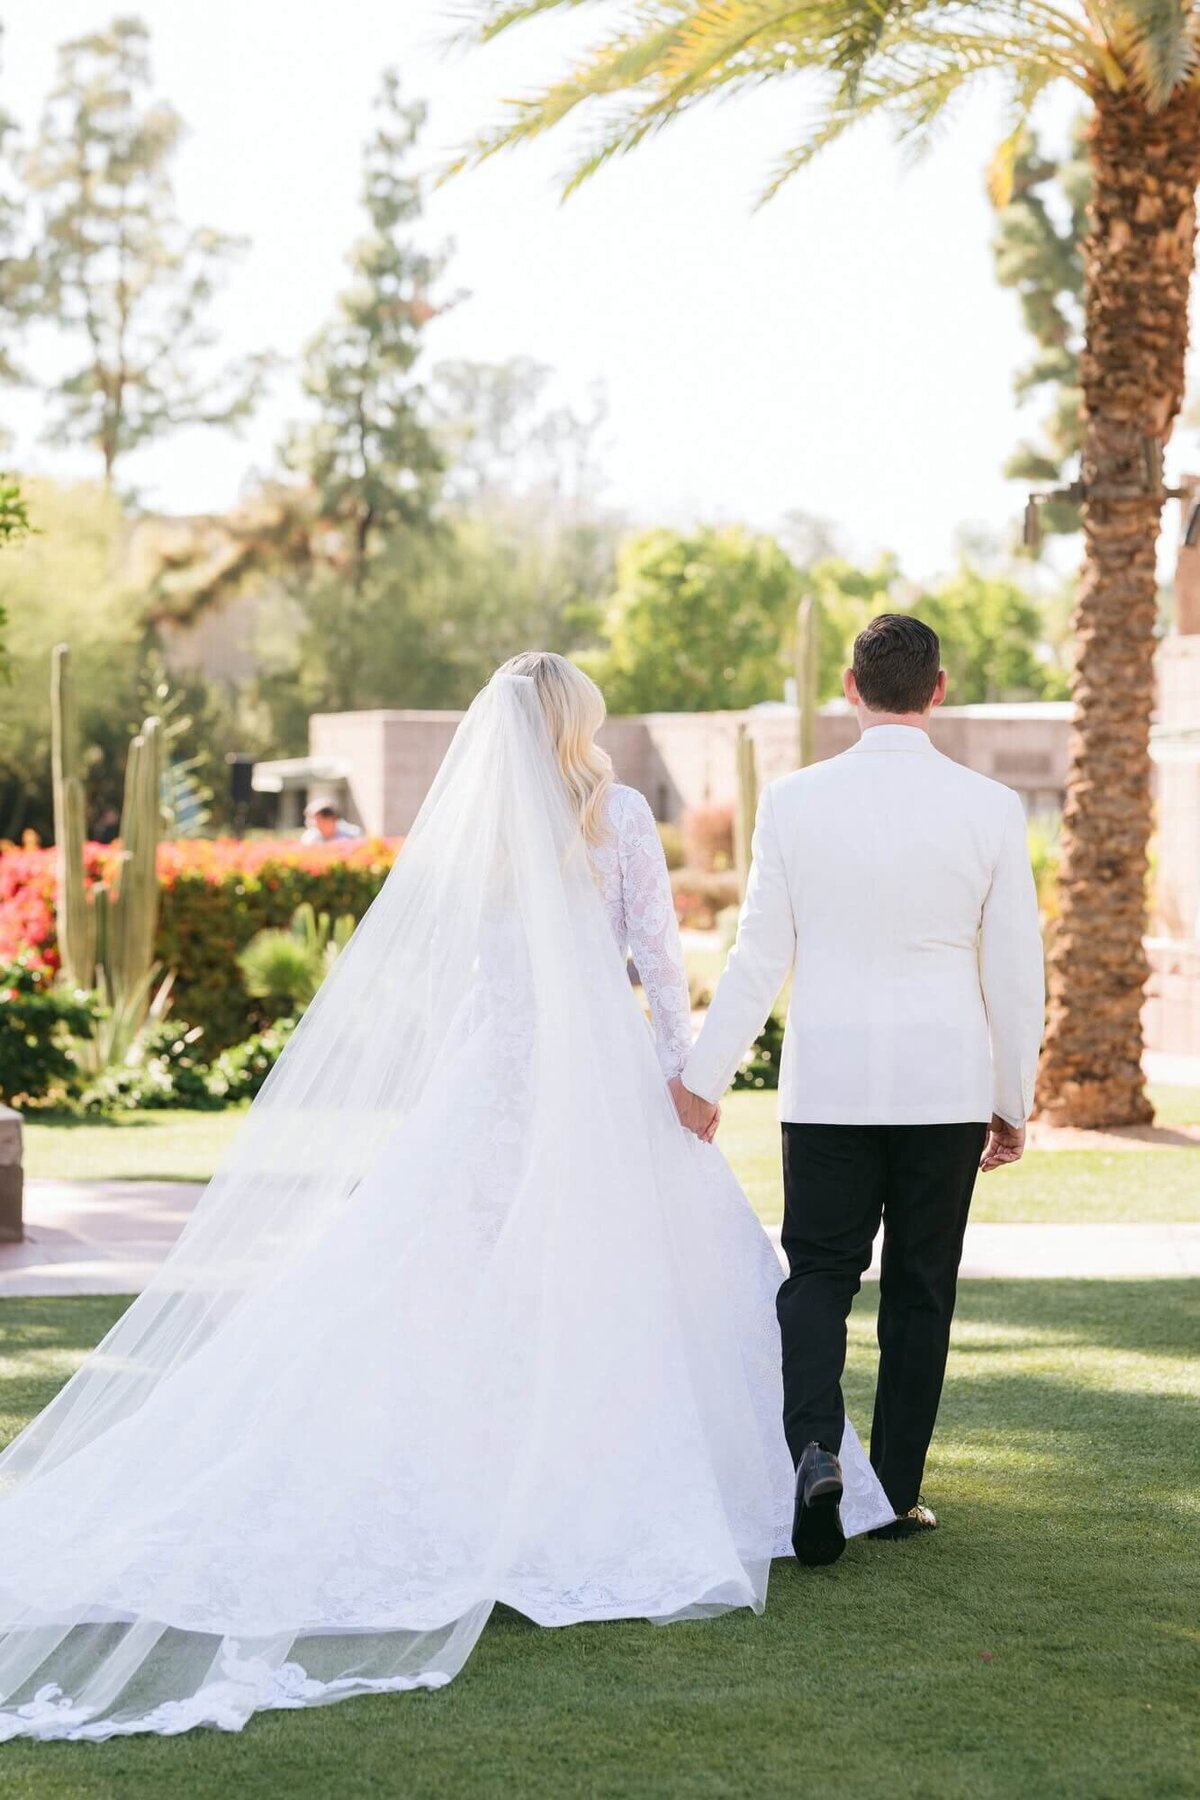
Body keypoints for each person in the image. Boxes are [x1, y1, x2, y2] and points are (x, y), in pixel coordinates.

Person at [0, 652, 891, 1744]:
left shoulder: (483, 830)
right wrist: (686, 1078)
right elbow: (658, 963)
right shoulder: (615, 815)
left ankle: (482, 1484)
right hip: (598, 1079)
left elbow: (457, 977)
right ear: (576, 723)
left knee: (462, 1280)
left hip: (495, 1078)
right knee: (625, 1279)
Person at [672, 614, 1045, 1560]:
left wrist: (705, 1078)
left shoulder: (795, 802)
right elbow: (1015, 972)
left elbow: (757, 955)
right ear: (940, 687)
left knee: (820, 1276)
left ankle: (814, 1452)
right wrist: (1014, 1097)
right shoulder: (992, 807)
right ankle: (899, 1491)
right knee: (922, 1288)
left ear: (851, 685)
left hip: (830, 1083)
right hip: (946, 1085)